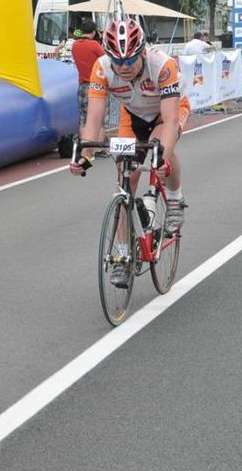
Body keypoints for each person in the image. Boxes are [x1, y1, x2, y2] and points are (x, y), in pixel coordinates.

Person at [69, 18, 189, 288]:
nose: (123, 66)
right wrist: (85, 155)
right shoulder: (102, 69)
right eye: (117, 61)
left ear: (142, 52)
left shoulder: (162, 65)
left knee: (160, 146)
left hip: (166, 112)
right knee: (125, 181)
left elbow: (171, 121)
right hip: (132, 116)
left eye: (130, 60)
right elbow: (94, 120)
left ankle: (174, 199)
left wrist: (161, 159)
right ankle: (122, 256)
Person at [70, 19, 106, 143]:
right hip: (97, 85)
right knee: (99, 119)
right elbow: (106, 60)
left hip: (82, 86)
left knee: (84, 118)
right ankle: (99, 148)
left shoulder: (75, 45)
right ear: (94, 32)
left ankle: (84, 145)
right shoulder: (94, 45)